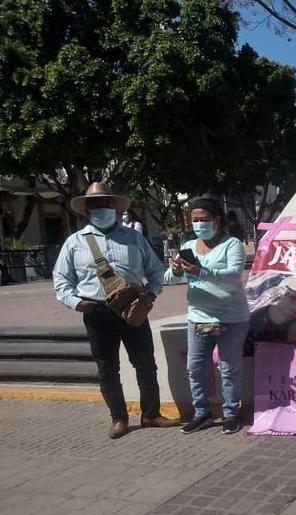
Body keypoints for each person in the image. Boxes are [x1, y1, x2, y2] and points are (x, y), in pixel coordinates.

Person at [53, 182, 176, 439]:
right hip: (97, 312)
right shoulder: (74, 242)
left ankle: (151, 414)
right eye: (95, 205)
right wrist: (76, 303)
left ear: (116, 207)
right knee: (107, 368)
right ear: (87, 210)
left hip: (134, 310)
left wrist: (152, 294)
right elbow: (61, 280)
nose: (101, 209)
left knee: (145, 364)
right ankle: (118, 418)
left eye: (106, 204)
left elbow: (155, 270)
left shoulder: (134, 238)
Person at [166, 195, 250, 435]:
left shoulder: (232, 244)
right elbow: (168, 279)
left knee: (228, 367)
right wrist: (174, 270)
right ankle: (201, 412)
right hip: (198, 317)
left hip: (231, 318)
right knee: (195, 367)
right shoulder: (189, 246)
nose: (198, 224)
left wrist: (202, 271)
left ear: (217, 219)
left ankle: (231, 412)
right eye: (194, 220)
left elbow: (233, 274)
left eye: (203, 219)